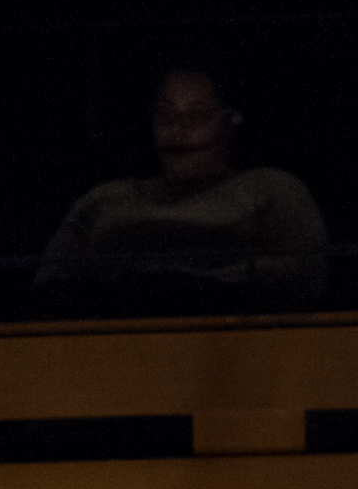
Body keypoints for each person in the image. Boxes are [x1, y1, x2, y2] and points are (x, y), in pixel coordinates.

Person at [40, 65, 327, 313]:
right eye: (166, 116)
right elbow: (49, 284)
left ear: (229, 122)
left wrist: (203, 283)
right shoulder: (106, 199)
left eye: (196, 116)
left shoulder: (271, 190)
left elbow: (303, 276)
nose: (179, 130)